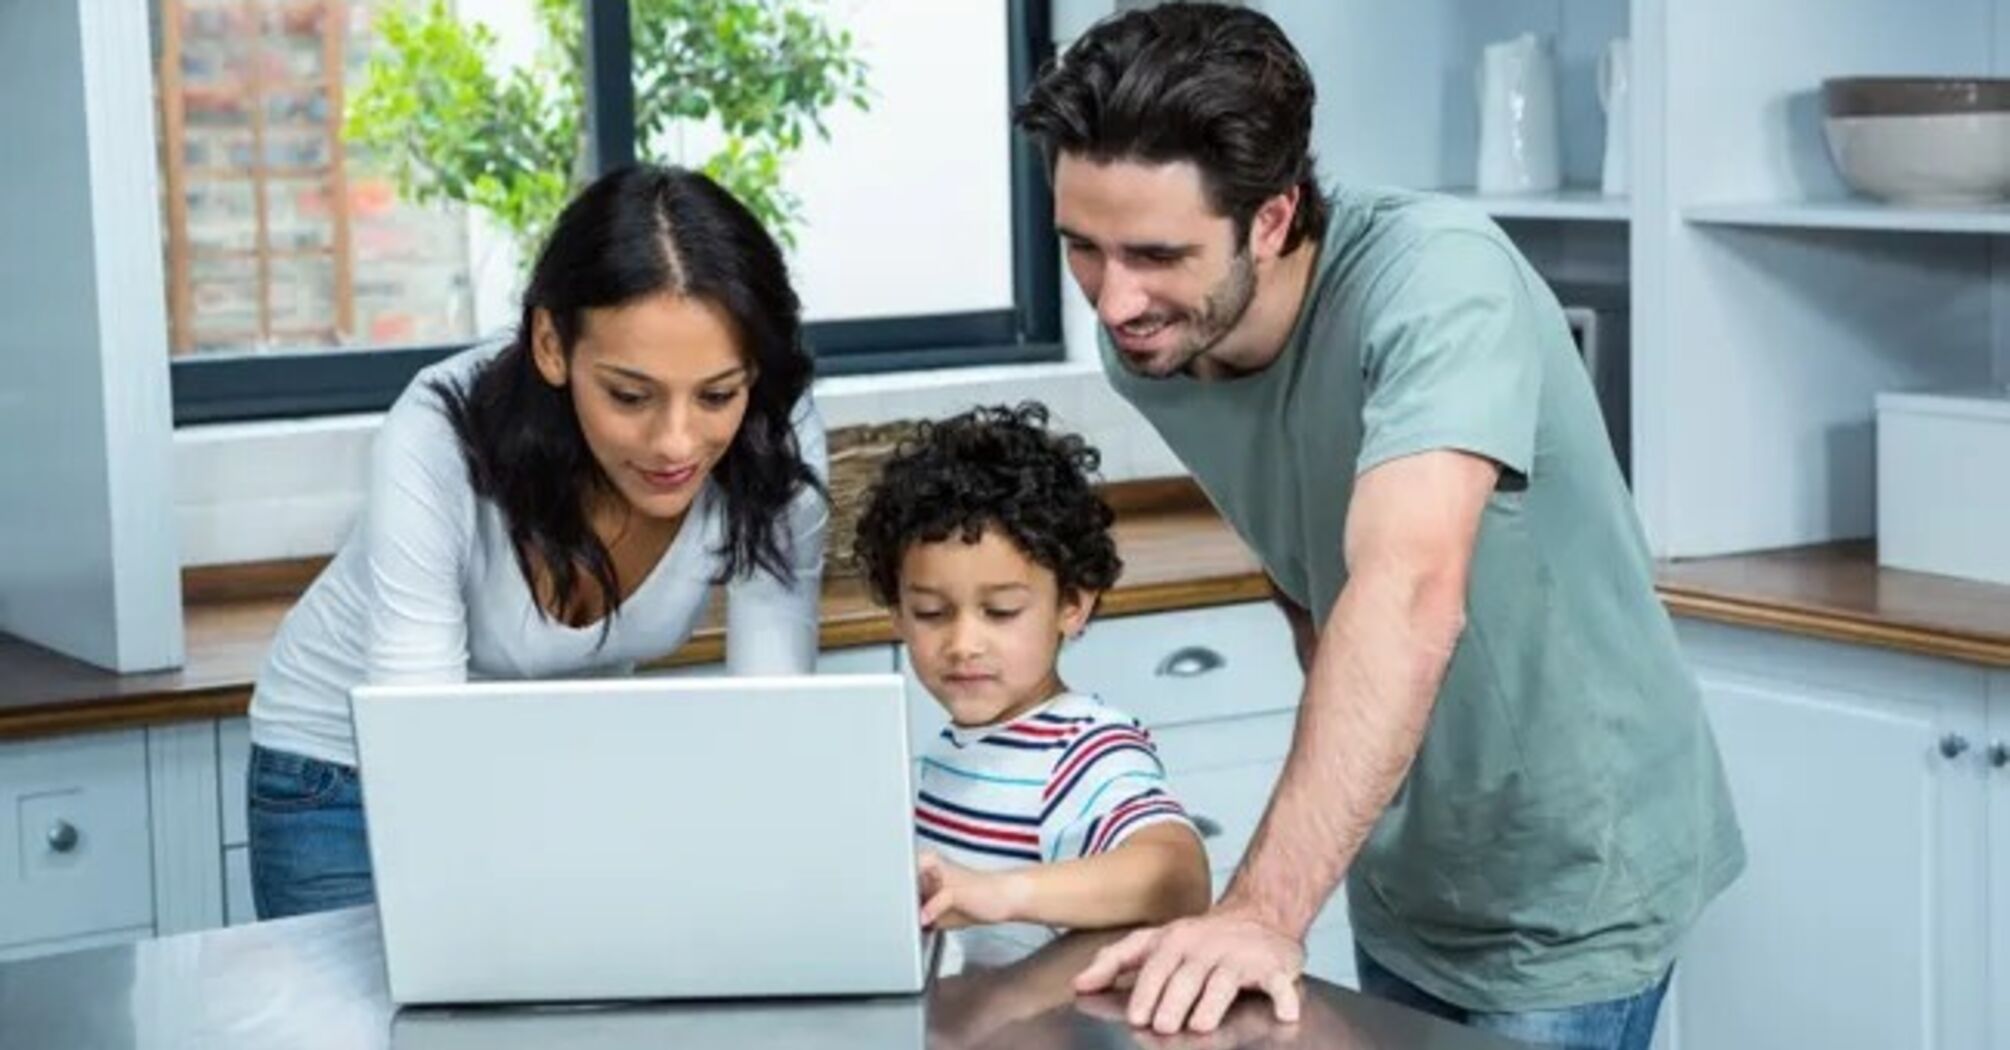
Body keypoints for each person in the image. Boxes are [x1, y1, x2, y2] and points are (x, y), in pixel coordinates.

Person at [1013, 5, 1745, 1046]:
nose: (1116, 299)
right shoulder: (1154, 345)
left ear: (1271, 218)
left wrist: (1262, 909)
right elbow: (1295, 534)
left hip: (1573, 870)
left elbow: (1405, 589)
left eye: (1156, 253)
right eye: (1081, 246)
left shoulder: (1439, 285)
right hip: (1399, 862)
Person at [245, 165, 829, 919]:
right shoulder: (437, 434)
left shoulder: (774, 436)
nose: (677, 441)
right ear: (551, 344)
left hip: (560, 767)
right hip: (343, 775)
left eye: (717, 393)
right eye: (630, 394)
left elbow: (773, 720)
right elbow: (420, 749)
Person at [850, 403, 1211, 935]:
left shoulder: (1083, 749)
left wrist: (1000, 893)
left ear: (1072, 605)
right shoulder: (949, 754)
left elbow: (1179, 876)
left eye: (1000, 612)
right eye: (931, 613)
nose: (963, 644)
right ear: (897, 615)